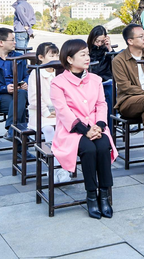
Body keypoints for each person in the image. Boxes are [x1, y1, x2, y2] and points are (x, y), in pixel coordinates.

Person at [51, 39, 117, 219]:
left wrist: (100, 126)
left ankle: (104, 195)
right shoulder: (58, 83)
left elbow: (101, 105)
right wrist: (84, 129)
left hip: (96, 127)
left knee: (103, 146)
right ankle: (91, 196)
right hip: (71, 130)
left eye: (87, 54)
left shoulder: (95, 79)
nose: (88, 57)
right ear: (70, 59)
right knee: (88, 149)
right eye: (83, 54)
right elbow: (63, 112)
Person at [111, 24, 144, 162]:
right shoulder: (119, 60)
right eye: (141, 36)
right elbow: (125, 87)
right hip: (128, 101)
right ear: (130, 41)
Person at [28, 42, 72, 183]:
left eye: (56, 54)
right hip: (41, 114)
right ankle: (55, 168)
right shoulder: (36, 73)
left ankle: (65, 167)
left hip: (60, 112)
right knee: (48, 130)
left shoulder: (61, 71)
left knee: (66, 131)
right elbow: (34, 98)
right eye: (51, 55)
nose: (55, 57)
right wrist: (46, 113)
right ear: (41, 57)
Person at [87, 26, 115, 132]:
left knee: (109, 94)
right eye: (96, 41)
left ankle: (108, 131)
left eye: (101, 41)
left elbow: (115, 66)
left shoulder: (107, 51)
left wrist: (109, 48)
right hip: (90, 84)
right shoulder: (86, 51)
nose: (98, 44)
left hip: (106, 82)